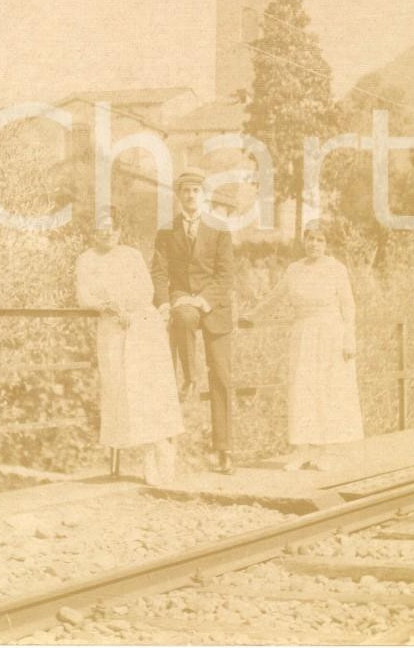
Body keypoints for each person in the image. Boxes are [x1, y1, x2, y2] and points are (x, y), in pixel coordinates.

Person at [241, 219, 364, 471]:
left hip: (331, 334)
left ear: (326, 244)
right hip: (303, 334)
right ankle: (301, 451)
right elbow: (274, 298)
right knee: (302, 389)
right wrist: (251, 317)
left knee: (327, 390)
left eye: (319, 240)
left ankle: (324, 451)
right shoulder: (294, 269)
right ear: (303, 241)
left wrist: (349, 338)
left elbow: (348, 306)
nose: (314, 244)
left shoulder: (336, 269)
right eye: (310, 238)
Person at [75, 206, 184, 486]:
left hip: (142, 325)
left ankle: (159, 449)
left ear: (119, 231)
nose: (106, 233)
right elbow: (84, 296)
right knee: (123, 393)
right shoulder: (86, 260)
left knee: (149, 391)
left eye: (111, 228)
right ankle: (150, 451)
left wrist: (128, 310)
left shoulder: (132, 255)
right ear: (93, 232)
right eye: (101, 229)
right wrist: (109, 307)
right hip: (112, 329)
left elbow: (146, 290)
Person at [151, 167, 236, 475]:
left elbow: (226, 275)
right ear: (179, 195)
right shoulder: (167, 230)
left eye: (195, 191)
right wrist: (165, 302)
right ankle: (189, 377)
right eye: (185, 190)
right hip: (183, 302)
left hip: (215, 306)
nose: (190, 195)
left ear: (204, 195)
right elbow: (159, 272)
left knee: (222, 376)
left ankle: (224, 449)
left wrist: (204, 299)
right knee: (183, 317)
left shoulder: (219, 228)